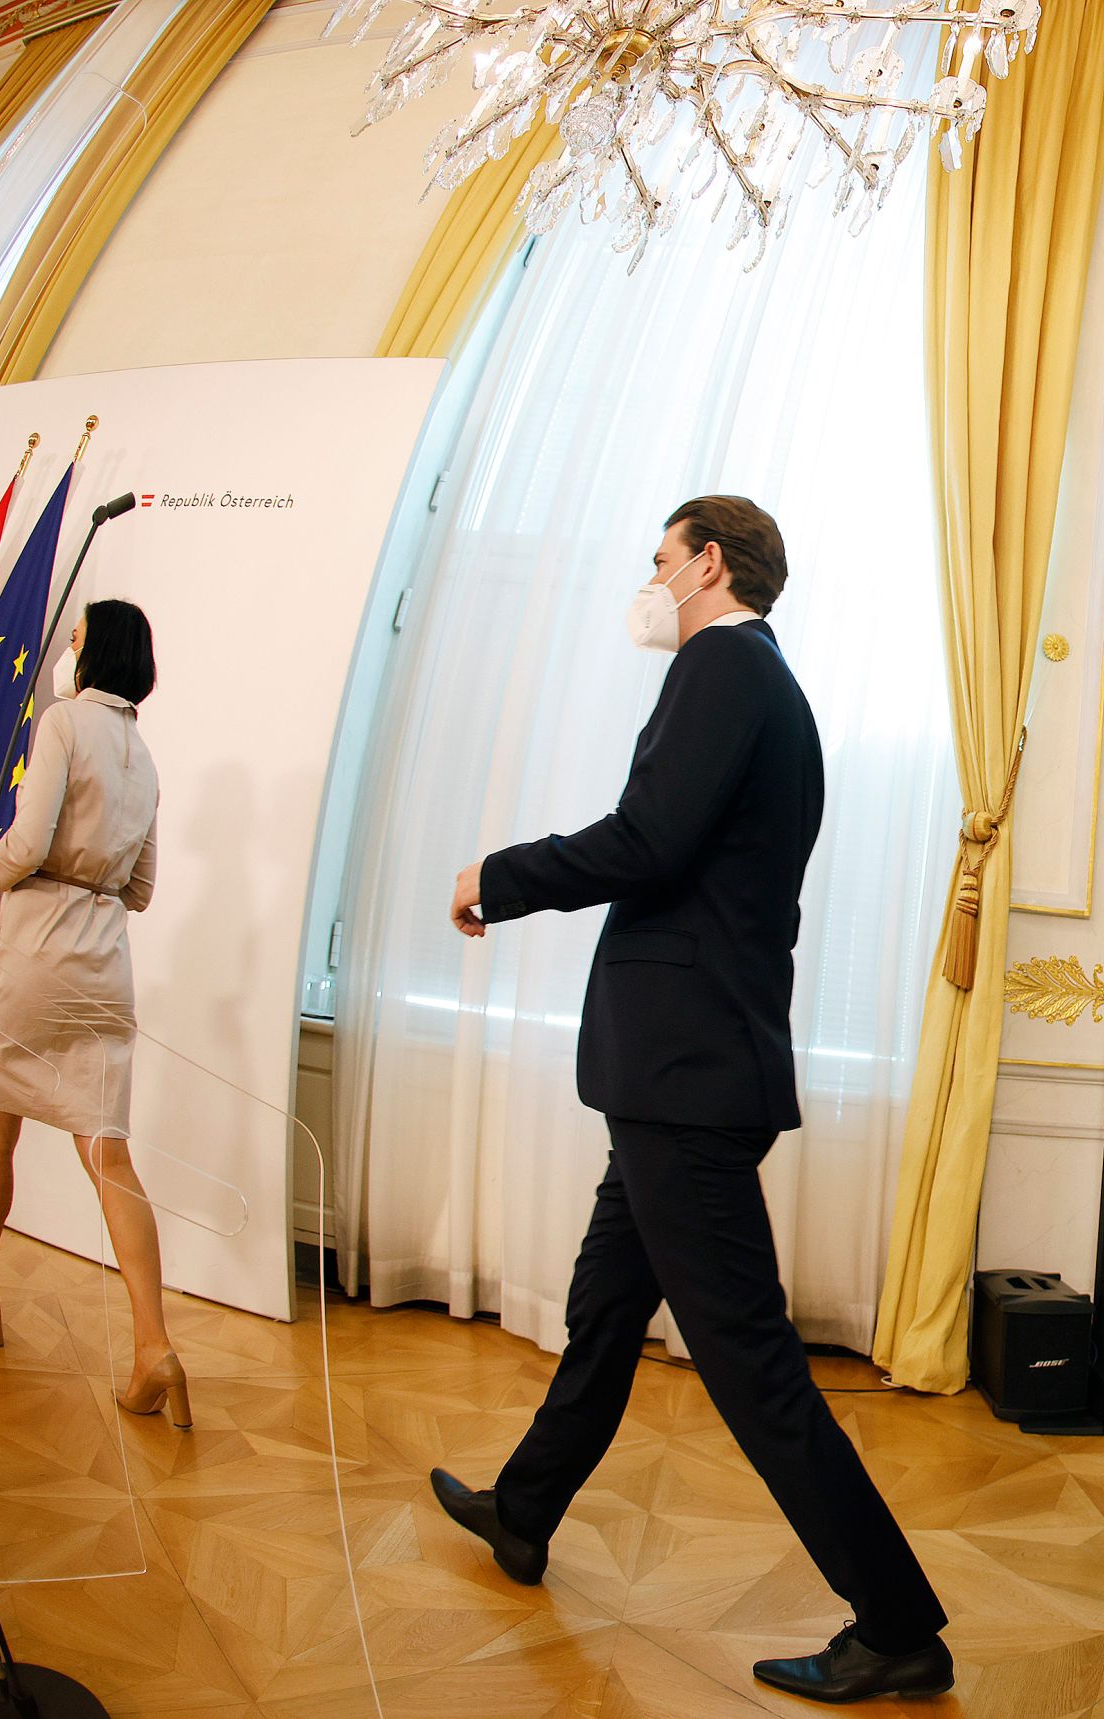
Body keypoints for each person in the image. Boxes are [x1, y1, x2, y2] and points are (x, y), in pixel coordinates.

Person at [434, 496, 952, 1704]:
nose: (649, 579)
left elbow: (647, 841)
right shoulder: (750, 678)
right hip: (677, 1069)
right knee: (605, 1309)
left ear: (708, 563)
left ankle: (895, 1623)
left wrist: (497, 879)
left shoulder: (725, 666)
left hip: (682, 1076)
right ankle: (524, 1507)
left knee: (750, 1364)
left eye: (659, 559)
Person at [0, 599, 189, 1431]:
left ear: (94, 653)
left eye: (76, 637)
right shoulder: (146, 758)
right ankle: (153, 1343)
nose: (69, 648)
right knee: (110, 1157)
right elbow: (144, 890)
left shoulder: (61, 726)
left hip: (38, 954)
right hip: (104, 966)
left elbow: (26, 839)